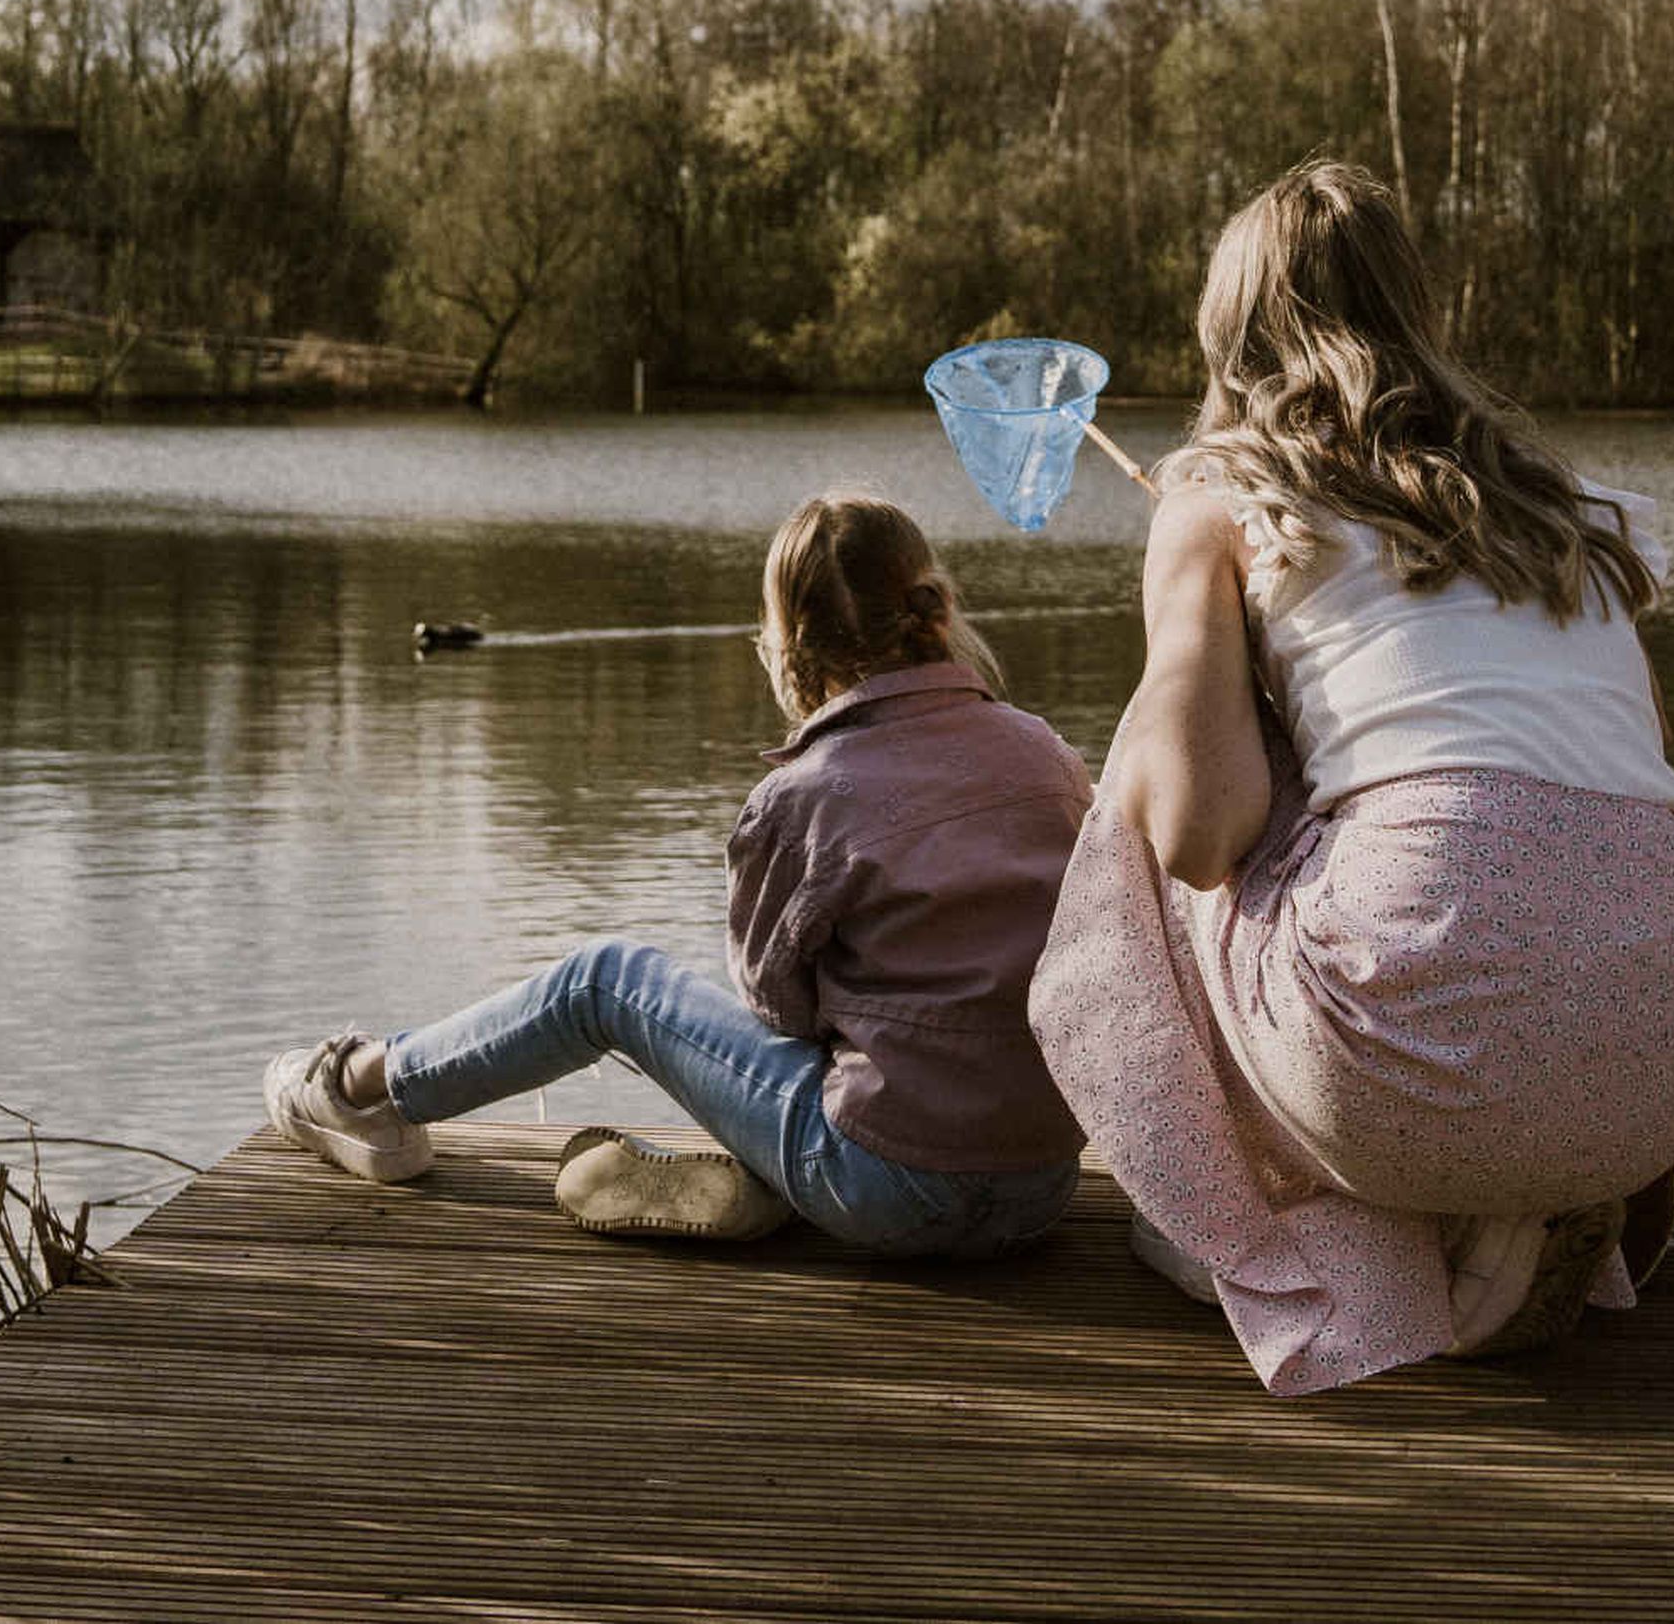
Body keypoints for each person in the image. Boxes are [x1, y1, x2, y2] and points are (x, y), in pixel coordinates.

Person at [1030, 159, 1674, 1393]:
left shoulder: (1224, 499)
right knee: (1521, 828)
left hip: (1407, 1063)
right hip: (1656, 1073)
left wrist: (1205, 621)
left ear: (1229, 330)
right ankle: (1522, 1206)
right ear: (1416, 308)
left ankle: (1279, 1238)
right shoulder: (1570, 512)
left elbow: (1198, 835)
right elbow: (1636, 765)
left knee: (1147, 768)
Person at [262, 492, 1093, 1259]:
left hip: (884, 1186)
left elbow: (778, 1009)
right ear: (934, 605)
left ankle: (359, 1087)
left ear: (789, 639)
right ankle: (776, 1177)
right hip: (1041, 1185)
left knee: (606, 981)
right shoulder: (1048, 758)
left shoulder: (807, 794)